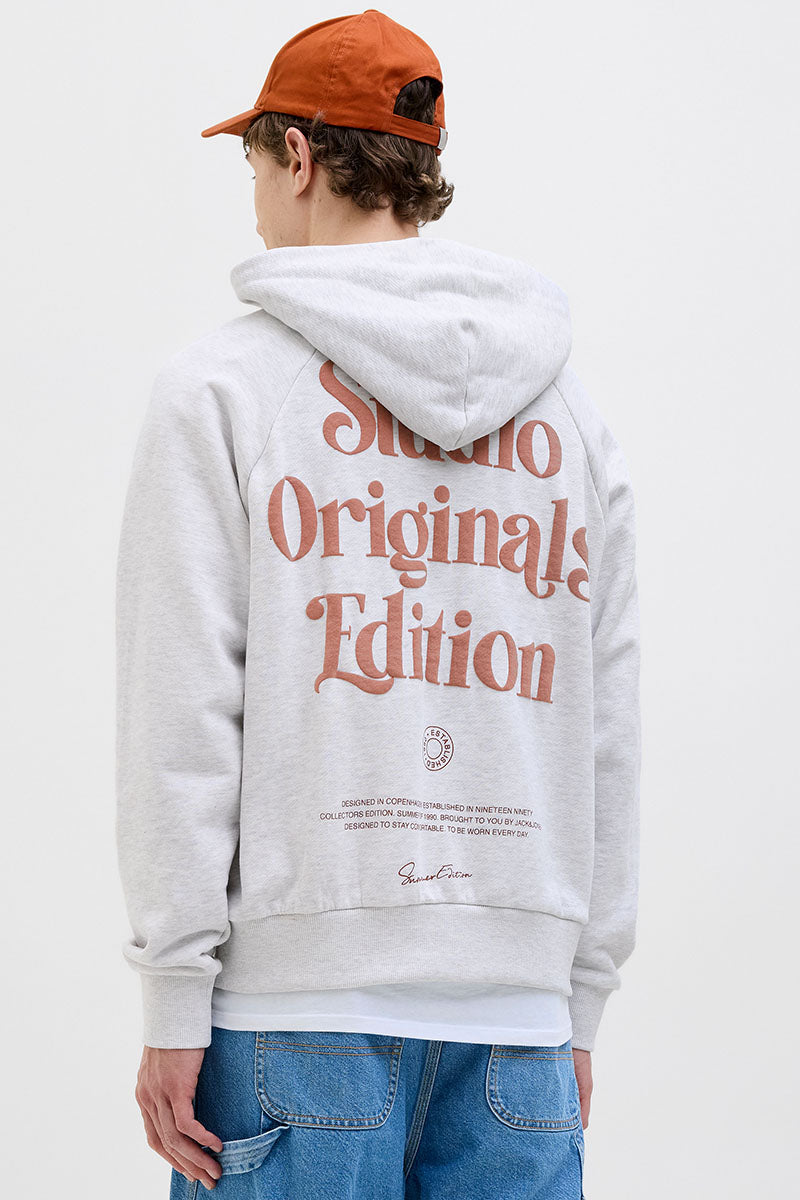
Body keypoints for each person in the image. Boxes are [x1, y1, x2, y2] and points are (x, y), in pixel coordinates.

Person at [115, 9, 641, 1199]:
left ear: (298, 156)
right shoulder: (572, 420)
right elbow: (605, 728)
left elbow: (182, 714)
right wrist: (576, 1002)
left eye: (255, 165)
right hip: (519, 1031)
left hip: (290, 1019)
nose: (256, 199)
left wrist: (173, 992)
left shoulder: (220, 390)